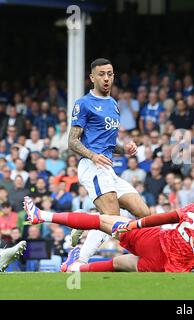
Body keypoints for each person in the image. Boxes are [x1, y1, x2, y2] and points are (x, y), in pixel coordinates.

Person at [23, 187, 194, 273]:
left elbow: (166, 217)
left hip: (155, 240)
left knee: (104, 220)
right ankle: (75, 268)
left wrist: (134, 224)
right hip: (165, 267)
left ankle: (43, 215)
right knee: (121, 264)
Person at [68, 58, 150, 265]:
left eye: (110, 74)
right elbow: (72, 141)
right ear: (92, 77)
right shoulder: (83, 104)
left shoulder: (113, 104)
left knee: (144, 213)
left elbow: (110, 145)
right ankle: (79, 258)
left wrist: (126, 149)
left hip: (108, 169)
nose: (106, 78)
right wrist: (93, 155)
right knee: (113, 218)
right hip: (92, 166)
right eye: (101, 74)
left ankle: (83, 220)